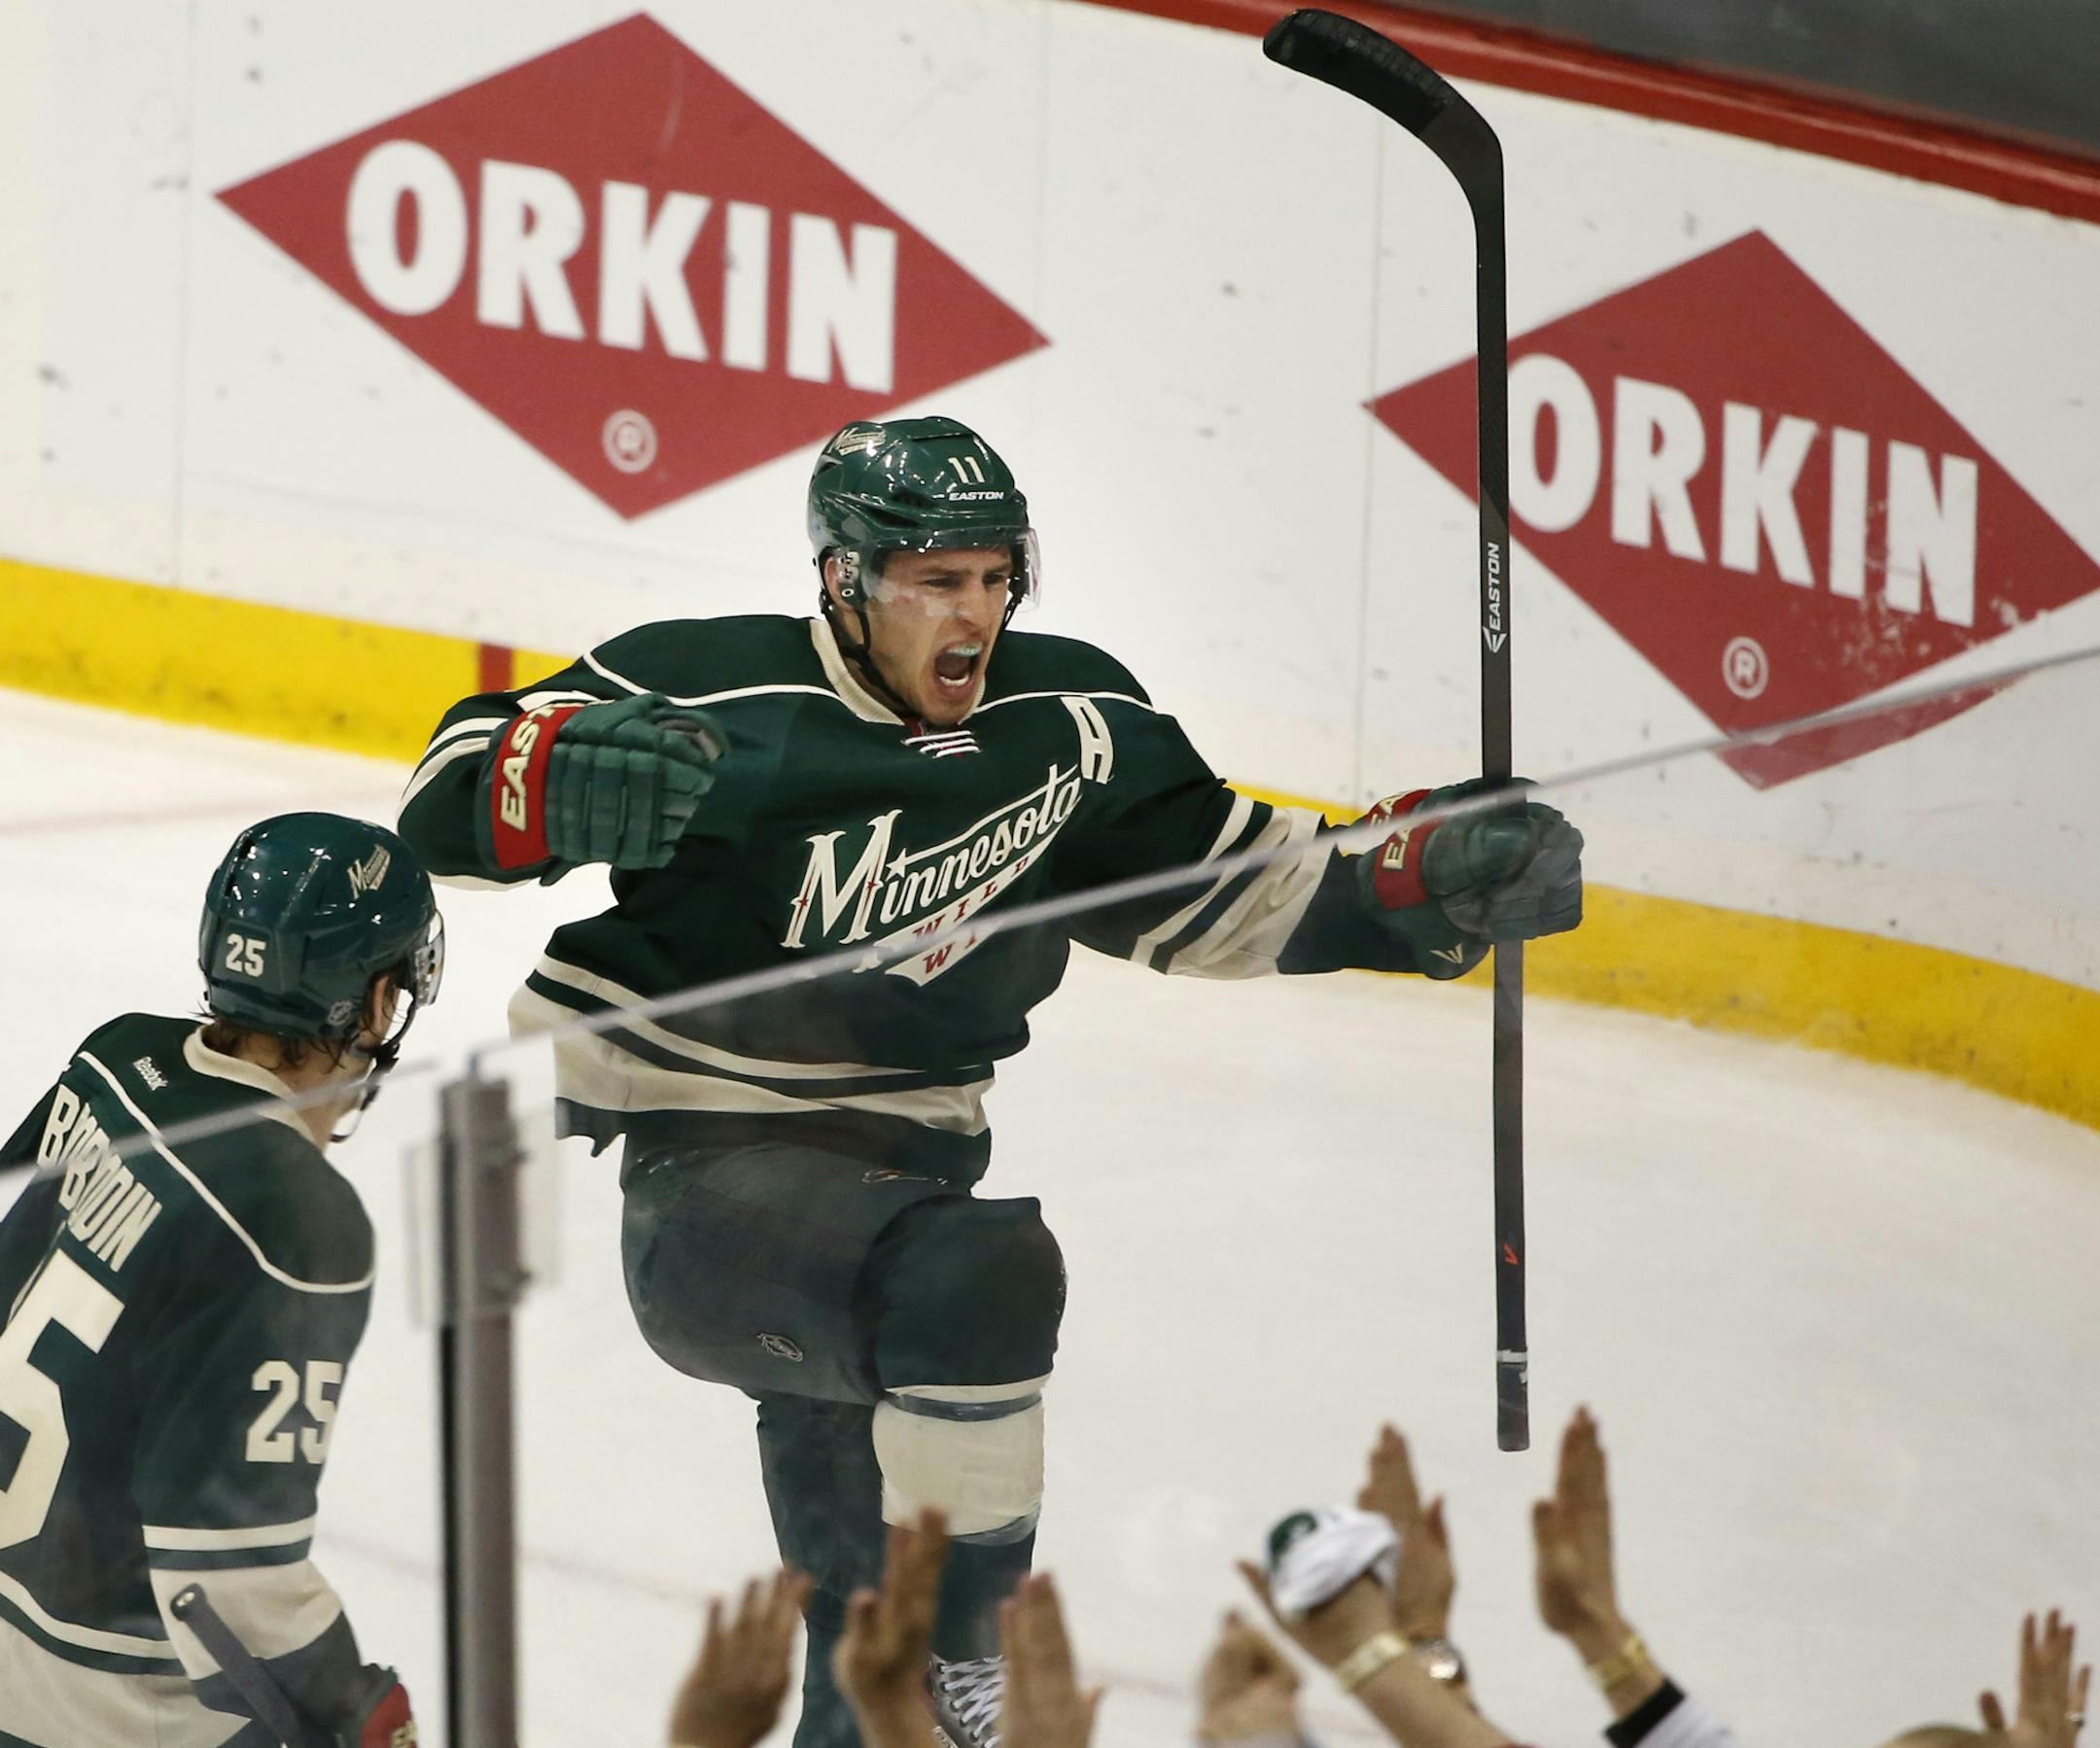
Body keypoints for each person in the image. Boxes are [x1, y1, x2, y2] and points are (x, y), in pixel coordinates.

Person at [397, 414, 1584, 1747]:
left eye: (991, 575)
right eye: (933, 580)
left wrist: (1414, 884)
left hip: (899, 1187)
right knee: (978, 1281)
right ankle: (974, 1664)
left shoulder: (1068, 719)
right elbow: (442, 799)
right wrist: (546, 778)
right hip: (710, 1187)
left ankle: (909, 1691)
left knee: (863, 1638)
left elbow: (1235, 896)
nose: (974, 609)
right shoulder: (712, 688)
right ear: (844, 580)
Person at [0, 813, 442, 1746]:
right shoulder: (297, 1218)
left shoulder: (115, 1057)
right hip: (102, 1703)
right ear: (371, 1005)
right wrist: (355, 1710)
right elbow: (234, 1582)